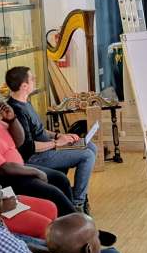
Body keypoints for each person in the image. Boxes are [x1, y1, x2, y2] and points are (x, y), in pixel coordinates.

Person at [0, 83, 77, 217]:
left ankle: (74, 218)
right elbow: (1, 169)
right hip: (4, 180)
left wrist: (12, 119)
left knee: (60, 179)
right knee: (53, 193)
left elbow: (19, 141)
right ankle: (74, 223)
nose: (1, 104)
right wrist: (36, 172)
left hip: (17, 168)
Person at [6, 66, 97, 213]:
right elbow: (28, 147)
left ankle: (79, 195)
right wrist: (56, 143)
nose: (35, 80)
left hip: (49, 147)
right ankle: (78, 203)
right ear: (24, 86)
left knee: (91, 146)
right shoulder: (16, 110)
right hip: (36, 156)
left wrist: (58, 135)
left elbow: (40, 130)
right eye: (32, 79)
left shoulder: (26, 102)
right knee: (87, 155)